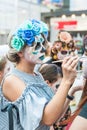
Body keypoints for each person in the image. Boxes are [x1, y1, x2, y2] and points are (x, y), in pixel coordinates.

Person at [0, 19, 78, 130]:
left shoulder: (37, 76)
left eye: (43, 43)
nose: (43, 48)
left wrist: (72, 89)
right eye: (36, 45)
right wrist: (66, 81)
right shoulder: (12, 80)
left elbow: (55, 115)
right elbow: (47, 119)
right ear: (20, 52)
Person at [39, 64, 84, 130]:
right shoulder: (41, 102)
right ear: (47, 83)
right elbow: (53, 124)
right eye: (58, 86)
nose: (62, 89)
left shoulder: (58, 98)